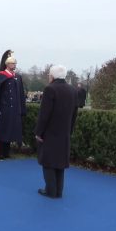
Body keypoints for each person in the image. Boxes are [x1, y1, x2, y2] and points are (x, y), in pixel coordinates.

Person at [35, 65, 78, 199]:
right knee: (60, 162)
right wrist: (69, 131)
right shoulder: (72, 90)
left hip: (50, 131)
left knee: (47, 162)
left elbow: (44, 114)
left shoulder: (50, 89)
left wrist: (39, 132)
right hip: (64, 132)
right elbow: (74, 114)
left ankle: (50, 191)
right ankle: (59, 191)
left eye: (49, 75)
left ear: (52, 76)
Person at [0, 50, 26, 158]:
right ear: (7, 64)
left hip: (14, 109)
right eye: (13, 63)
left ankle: (7, 152)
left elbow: (21, 94)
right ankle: (0, 152)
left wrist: (21, 109)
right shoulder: (0, 75)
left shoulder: (17, 77)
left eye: (15, 63)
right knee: (3, 130)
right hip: (4, 108)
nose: (14, 65)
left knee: (11, 131)